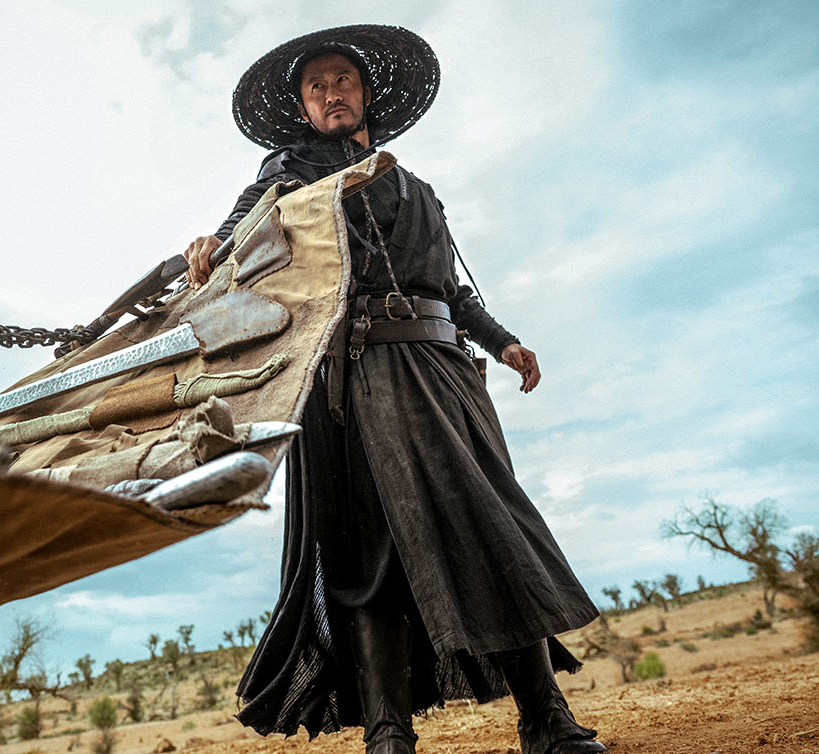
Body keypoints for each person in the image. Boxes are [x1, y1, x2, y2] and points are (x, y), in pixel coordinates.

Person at [184, 26, 606, 754]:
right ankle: (388, 736)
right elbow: (244, 220)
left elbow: (448, 288)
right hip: (348, 381)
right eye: (315, 87)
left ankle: (546, 720)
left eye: (340, 79)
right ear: (305, 109)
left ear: (366, 92)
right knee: (364, 554)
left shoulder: (417, 189)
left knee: (489, 527)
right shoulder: (291, 170)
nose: (329, 93)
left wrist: (503, 342)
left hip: (442, 375)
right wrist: (211, 245)